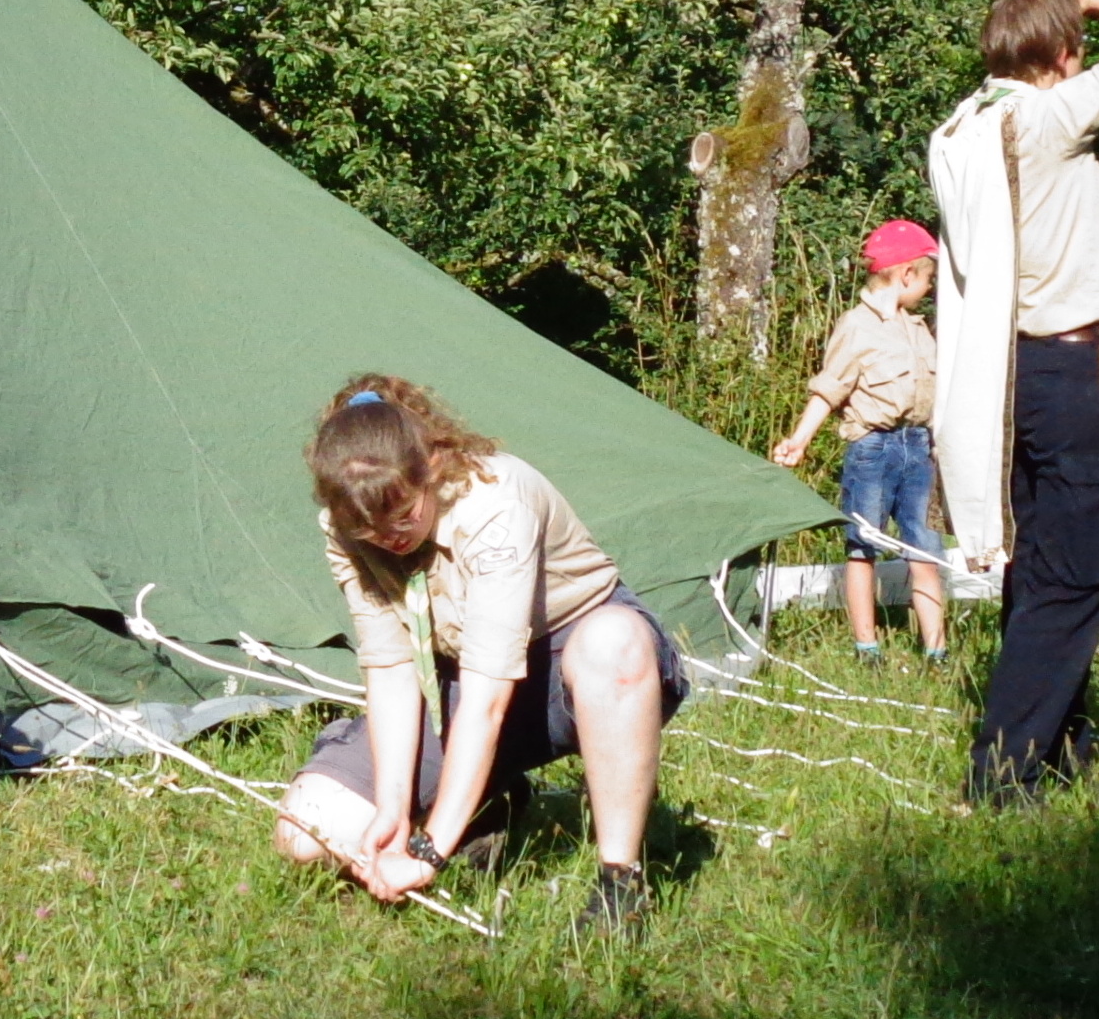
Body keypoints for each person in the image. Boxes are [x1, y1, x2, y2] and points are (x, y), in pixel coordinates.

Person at [274, 376, 686, 937]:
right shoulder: (347, 525)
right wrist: (394, 813)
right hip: (456, 679)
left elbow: (489, 700)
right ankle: (489, 809)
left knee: (612, 642)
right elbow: (393, 667)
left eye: (403, 517)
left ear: (430, 467)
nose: (388, 538)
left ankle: (621, 880)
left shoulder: (493, 501)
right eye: (366, 529)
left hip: (568, 667)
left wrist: (428, 851)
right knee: (306, 830)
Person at [927, 0, 1099, 807]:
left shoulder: (960, 124)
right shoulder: (1042, 117)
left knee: (1037, 567)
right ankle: (1002, 772)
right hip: (1071, 368)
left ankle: (1062, 740)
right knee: (1072, 577)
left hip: (1006, 375)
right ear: (1061, 53)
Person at [771, 219, 949, 664]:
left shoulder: (917, 328)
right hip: (872, 449)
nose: (928, 289)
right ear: (907, 274)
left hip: (919, 449)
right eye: (927, 279)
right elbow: (829, 389)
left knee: (925, 549)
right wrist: (799, 440)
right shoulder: (856, 326)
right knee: (863, 546)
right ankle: (867, 648)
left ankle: (936, 651)